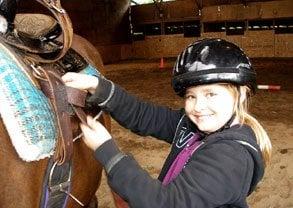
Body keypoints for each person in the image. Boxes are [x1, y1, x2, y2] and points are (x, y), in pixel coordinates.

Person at [62, 38, 272, 208]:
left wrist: (107, 151)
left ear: (242, 94)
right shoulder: (193, 126)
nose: (198, 107)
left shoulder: (231, 157)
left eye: (210, 94)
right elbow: (144, 116)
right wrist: (99, 87)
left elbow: (165, 203)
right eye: (191, 96)